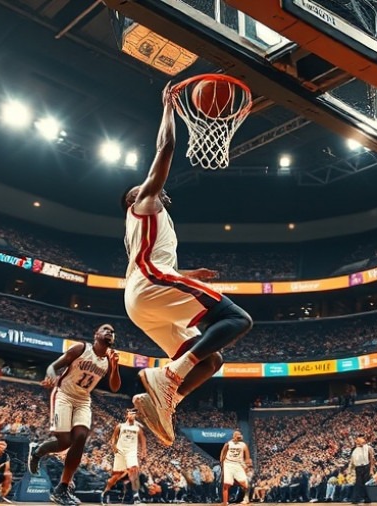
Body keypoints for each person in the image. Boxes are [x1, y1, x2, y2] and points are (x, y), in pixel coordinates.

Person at [121, 83, 253, 445]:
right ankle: (168, 377)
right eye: (141, 186)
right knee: (237, 319)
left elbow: (149, 262)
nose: (148, 185)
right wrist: (168, 108)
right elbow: (165, 147)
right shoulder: (144, 203)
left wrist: (185, 275)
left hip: (143, 297)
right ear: (134, 199)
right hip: (150, 286)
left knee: (212, 361)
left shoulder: (146, 224)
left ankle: (168, 399)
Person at [28, 324, 121, 505]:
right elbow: (53, 366)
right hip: (63, 394)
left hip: (83, 400)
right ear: (96, 334)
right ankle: (37, 452)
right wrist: (51, 377)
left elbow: (115, 387)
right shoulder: (81, 348)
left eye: (112, 331)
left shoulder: (109, 359)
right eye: (105, 329)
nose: (110, 332)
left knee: (81, 436)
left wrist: (116, 366)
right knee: (64, 442)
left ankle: (62, 488)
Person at [101, 409, 147, 505]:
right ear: (127, 415)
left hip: (131, 451)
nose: (133, 415)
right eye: (131, 413)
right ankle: (105, 493)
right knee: (117, 476)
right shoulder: (120, 426)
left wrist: (143, 451)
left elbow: (143, 440)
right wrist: (113, 445)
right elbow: (113, 437)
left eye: (134, 414)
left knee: (133, 470)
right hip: (120, 451)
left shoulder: (138, 428)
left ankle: (136, 497)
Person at [220, 430, 251, 506]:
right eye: (236, 434)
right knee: (226, 484)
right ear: (233, 436)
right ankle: (225, 502)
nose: (237, 436)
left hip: (238, 464)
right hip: (228, 463)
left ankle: (246, 499)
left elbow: (247, 457)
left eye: (239, 434)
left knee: (246, 485)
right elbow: (222, 453)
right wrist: (221, 462)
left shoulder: (243, 445)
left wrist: (247, 466)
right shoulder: (228, 443)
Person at [347, 436, 374, 504]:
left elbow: (371, 459)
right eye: (359, 441)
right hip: (358, 468)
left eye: (362, 441)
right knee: (359, 483)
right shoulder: (355, 450)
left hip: (366, 467)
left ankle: (365, 498)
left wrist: (371, 469)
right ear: (357, 442)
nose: (361, 442)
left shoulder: (368, 447)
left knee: (364, 484)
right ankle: (359, 499)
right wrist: (350, 470)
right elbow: (352, 461)